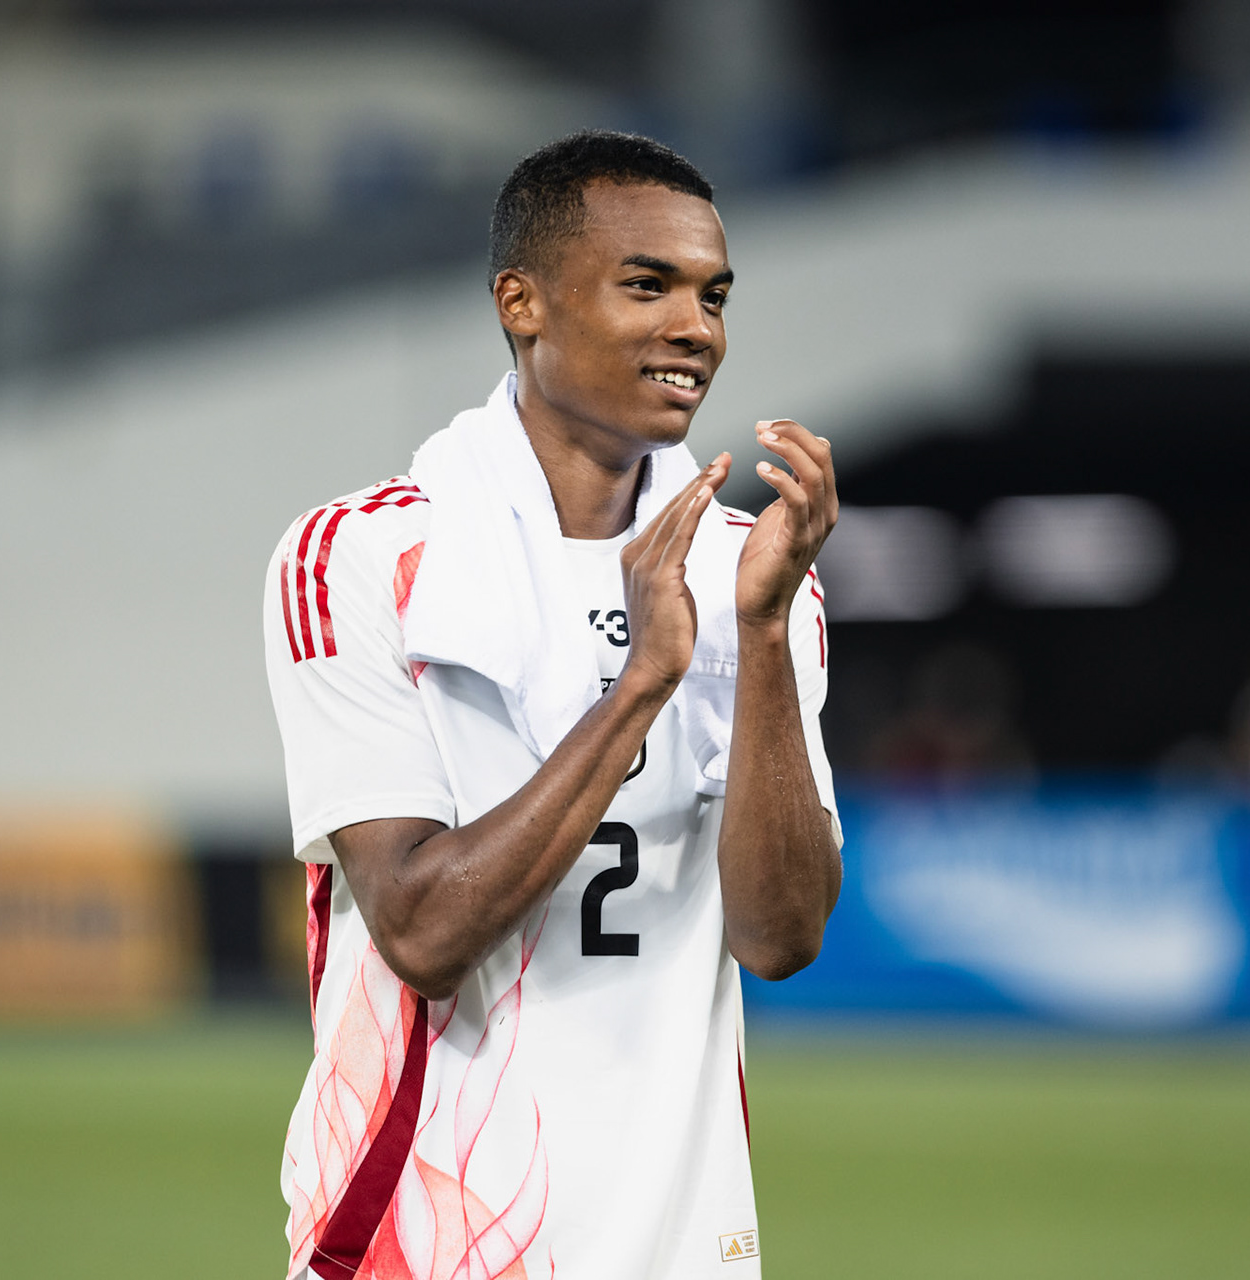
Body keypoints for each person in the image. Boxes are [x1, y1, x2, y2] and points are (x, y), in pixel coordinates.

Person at [263, 130, 841, 1280]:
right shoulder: (358, 559)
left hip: (686, 1249)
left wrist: (763, 635)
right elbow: (423, 931)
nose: (698, 328)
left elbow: (782, 937)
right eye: (649, 284)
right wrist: (640, 688)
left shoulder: (759, 578)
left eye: (714, 295)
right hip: (425, 1245)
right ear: (520, 303)